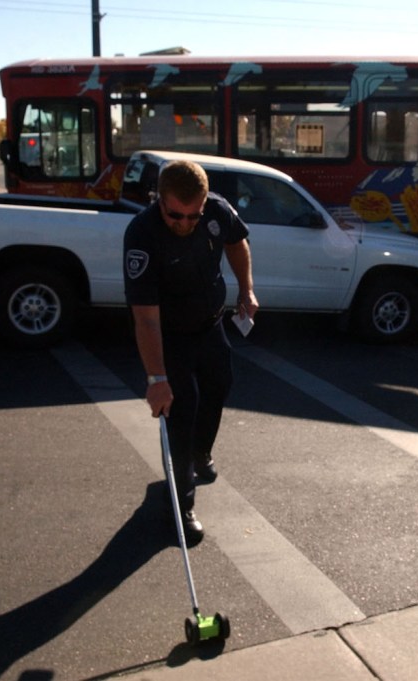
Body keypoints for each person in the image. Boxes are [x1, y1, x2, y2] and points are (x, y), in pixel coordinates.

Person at [123, 159, 258, 546]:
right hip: (169, 335)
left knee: (219, 387)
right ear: (159, 200)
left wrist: (245, 289)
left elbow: (237, 243)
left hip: (210, 324)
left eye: (192, 216)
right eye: (175, 215)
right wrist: (157, 379)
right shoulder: (142, 234)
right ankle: (180, 508)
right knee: (182, 411)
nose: (184, 223)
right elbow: (145, 319)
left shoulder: (216, 209)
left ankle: (201, 453)